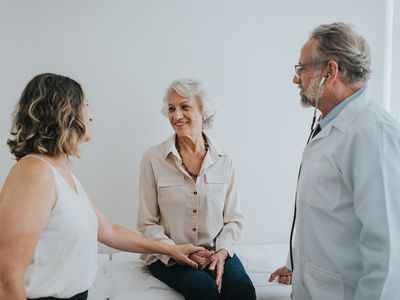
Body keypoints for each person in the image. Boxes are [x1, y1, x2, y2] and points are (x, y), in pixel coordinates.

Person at [0, 73, 204, 300]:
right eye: (86, 105)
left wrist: (170, 249)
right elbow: (6, 278)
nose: (91, 116)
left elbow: (109, 231)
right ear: (64, 111)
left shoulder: (62, 173)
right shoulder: (33, 173)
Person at [269, 22, 400, 299]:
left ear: (330, 71)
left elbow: (388, 252)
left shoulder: (371, 133)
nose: (296, 79)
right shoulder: (332, 125)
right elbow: (324, 214)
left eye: (301, 68)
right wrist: (295, 264)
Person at [137, 78, 256, 300]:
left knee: (243, 290)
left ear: (204, 112)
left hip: (215, 250)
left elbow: (233, 219)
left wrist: (221, 252)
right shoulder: (153, 158)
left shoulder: (225, 158)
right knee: (202, 288)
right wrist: (176, 252)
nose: (176, 115)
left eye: (185, 107)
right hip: (168, 254)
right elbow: (147, 223)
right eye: (171, 108)